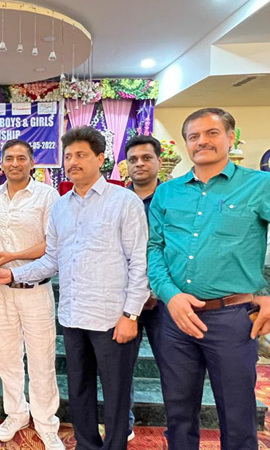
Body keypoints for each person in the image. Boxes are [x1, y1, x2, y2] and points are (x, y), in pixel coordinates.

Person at [147, 108, 270, 450]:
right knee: (178, 412)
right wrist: (169, 294)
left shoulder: (262, 187)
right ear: (186, 143)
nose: (202, 141)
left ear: (231, 138)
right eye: (194, 136)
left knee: (237, 414)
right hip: (175, 319)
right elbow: (153, 248)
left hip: (231, 319)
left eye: (211, 133)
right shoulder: (168, 193)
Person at [0, 126, 150, 450]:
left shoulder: (124, 202)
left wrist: (130, 314)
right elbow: (52, 259)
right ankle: (88, 445)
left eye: (81, 155)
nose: (73, 161)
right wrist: (14, 276)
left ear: (100, 158)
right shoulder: (62, 206)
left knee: (116, 393)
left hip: (111, 317)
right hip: (74, 316)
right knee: (80, 390)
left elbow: (140, 262)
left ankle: (115, 445)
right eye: (68, 156)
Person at [0, 140, 63, 449]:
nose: (14, 163)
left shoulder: (47, 195)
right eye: (9, 158)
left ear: (32, 162)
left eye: (21, 158)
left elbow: (51, 245)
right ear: (1, 163)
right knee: (7, 357)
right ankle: (15, 413)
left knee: (42, 359)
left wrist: (12, 256)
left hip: (35, 290)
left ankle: (45, 423)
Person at [121, 134, 165, 442]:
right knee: (120, 369)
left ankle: (177, 427)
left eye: (146, 158)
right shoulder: (117, 201)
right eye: (133, 159)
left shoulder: (174, 199)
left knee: (175, 368)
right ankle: (123, 426)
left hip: (166, 300)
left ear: (159, 162)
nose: (139, 164)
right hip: (124, 301)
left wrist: (155, 290)